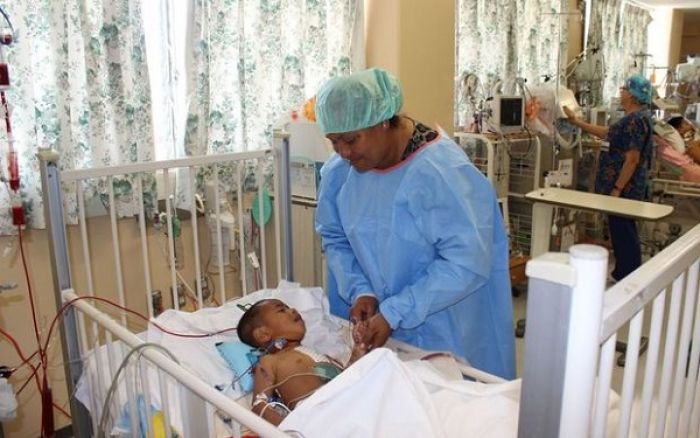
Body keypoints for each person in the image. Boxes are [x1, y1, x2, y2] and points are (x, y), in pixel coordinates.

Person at [313, 67, 516, 380]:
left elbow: (467, 262)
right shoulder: (340, 172)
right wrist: (360, 291)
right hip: (381, 326)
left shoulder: (442, 172)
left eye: (351, 140)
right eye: (334, 141)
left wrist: (395, 311)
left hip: (447, 327)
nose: (344, 152)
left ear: (383, 120)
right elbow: (335, 236)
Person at [564, 74, 654, 282]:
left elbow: (632, 159)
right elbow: (607, 133)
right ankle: (624, 271)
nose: (621, 90)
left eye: (624, 88)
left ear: (632, 95)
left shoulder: (636, 120)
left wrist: (617, 189)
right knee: (620, 228)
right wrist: (577, 122)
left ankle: (629, 275)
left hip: (625, 188)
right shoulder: (634, 118)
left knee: (623, 230)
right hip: (625, 187)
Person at [237, 299, 367, 425]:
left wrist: (358, 351)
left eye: (288, 307)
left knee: (380, 358)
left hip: (348, 405)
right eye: (282, 310)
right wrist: (289, 431)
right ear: (263, 334)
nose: (293, 310)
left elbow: (348, 378)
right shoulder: (270, 361)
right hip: (317, 417)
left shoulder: (321, 356)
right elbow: (259, 405)